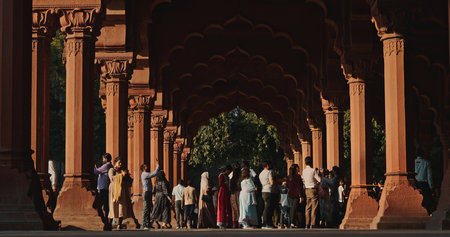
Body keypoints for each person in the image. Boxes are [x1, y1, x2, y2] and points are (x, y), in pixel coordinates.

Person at [108, 156, 140, 229]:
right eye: (119, 162)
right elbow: (112, 178)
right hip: (114, 191)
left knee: (121, 207)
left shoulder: (122, 171)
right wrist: (121, 175)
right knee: (113, 206)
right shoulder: (112, 170)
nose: (121, 164)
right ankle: (109, 224)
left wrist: (126, 176)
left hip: (122, 191)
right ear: (115, 162)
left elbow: (129, 181)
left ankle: (119, 224)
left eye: (121, 162)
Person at [302, 156, 321, 229]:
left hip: (307, 189)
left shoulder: (304, 171)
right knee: (314, 207)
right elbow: (319, 179)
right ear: (311, 162)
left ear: (305, 162)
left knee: (308, 207)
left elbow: (303, 179)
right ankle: (313, 224)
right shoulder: (313, 170)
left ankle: (307, 223)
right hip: (313, 189)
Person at [414, 147, 434, 215]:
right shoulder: (426, 163)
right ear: (423, 154)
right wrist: (431, 187)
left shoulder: (413, 162)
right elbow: (429, 176)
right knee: (426, 201)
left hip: (415, 184)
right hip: (424, 184)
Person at [140, 163, 160, 229]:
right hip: (146, 193)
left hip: (148, 193)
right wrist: (157, 165)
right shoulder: (145, 174)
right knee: (146, 209)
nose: (147, 166)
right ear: (143, 168)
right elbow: (154, 173)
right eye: (145, 166)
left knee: (148, 209)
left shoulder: (145, 174)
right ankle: (144, 224)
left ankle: (147, 224)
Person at [94, 153, 113, 219]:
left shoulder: (106, 165)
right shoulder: (110, 165)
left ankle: (105, 217)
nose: (102, 160)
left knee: (103, 203)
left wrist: (94, 168)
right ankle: (106, 216)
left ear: (106, 159)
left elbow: (96, 172)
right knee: (105, 202)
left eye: (103, 158)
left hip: (103, 187)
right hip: (106, 186)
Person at [259, 161, 274, 229]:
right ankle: (265, 223)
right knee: (267, 208)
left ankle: (267, 222)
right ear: (267, 165)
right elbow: (272, 182)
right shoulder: (269, 172)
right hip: (268, 190)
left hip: (263, 190)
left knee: (266, 207)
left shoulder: (261, 173)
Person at [230, 162, 241, 228]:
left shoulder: (231, 179)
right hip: (238, 194)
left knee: (234, 209)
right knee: (239, 208)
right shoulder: (240, 179)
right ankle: (239, 223)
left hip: (232, 194)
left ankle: (234, 223)